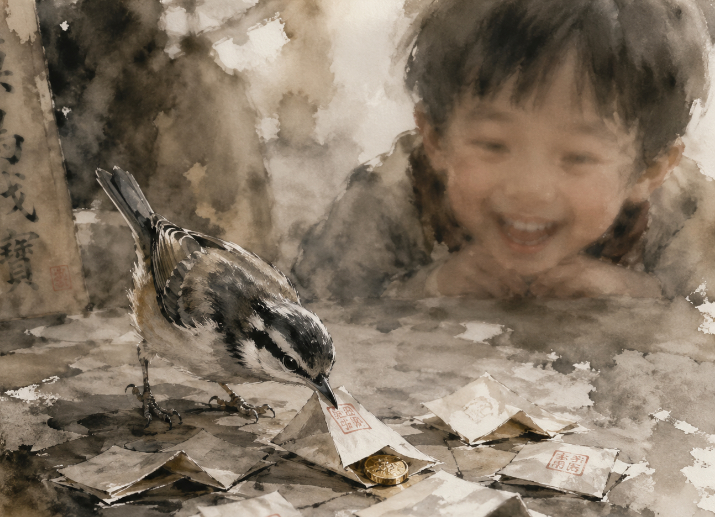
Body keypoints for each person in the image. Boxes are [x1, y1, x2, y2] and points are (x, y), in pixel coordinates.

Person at [291, 0, 715, 301]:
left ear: (650, 171)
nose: (529, 189)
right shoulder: (389, 197)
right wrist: (425, 289)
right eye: (493, 145)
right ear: (435, 141)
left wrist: (640, 297)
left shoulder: (686, 217)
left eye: (577, 157)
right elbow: (311, 305)